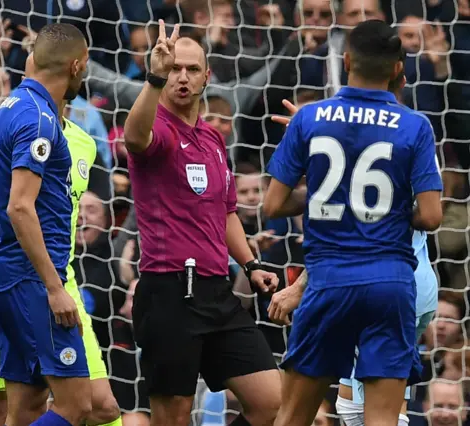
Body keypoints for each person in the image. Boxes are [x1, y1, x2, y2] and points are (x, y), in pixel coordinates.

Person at [262, 19, 443, 426]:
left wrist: (332, 191)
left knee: (292, 416)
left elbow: (273, 205)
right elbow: (431, 216)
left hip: (329, 282)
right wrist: (393, 210)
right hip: (391, 285)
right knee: (380, 419)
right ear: (398, 69)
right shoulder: (416, 126)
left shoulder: (310, 119)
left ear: (346, 61)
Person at [123, 19, 282, 426]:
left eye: (191, 69)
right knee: (172, 418)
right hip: (170, 293)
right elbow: (134, 137)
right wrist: (152, 80)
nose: (182, 76)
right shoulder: (155, 128)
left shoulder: (212, 139)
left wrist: (251, 264)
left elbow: (225, 212)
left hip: (218, 293)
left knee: (274, 404)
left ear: (207, 77)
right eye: (174, 68)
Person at [0, 55, 122, 426]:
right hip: (10, 282)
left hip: (60, 283)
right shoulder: (7, 129)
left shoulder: (85, 145)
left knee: (101, 406)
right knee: (0, 411)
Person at [0, 23, 92, 426]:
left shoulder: (10, 107)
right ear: (77, 64)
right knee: (78, 406)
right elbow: (20, 208)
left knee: (27, 410)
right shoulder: (41, 119)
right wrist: (54, 287)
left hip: (4, 275)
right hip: (31, 279)